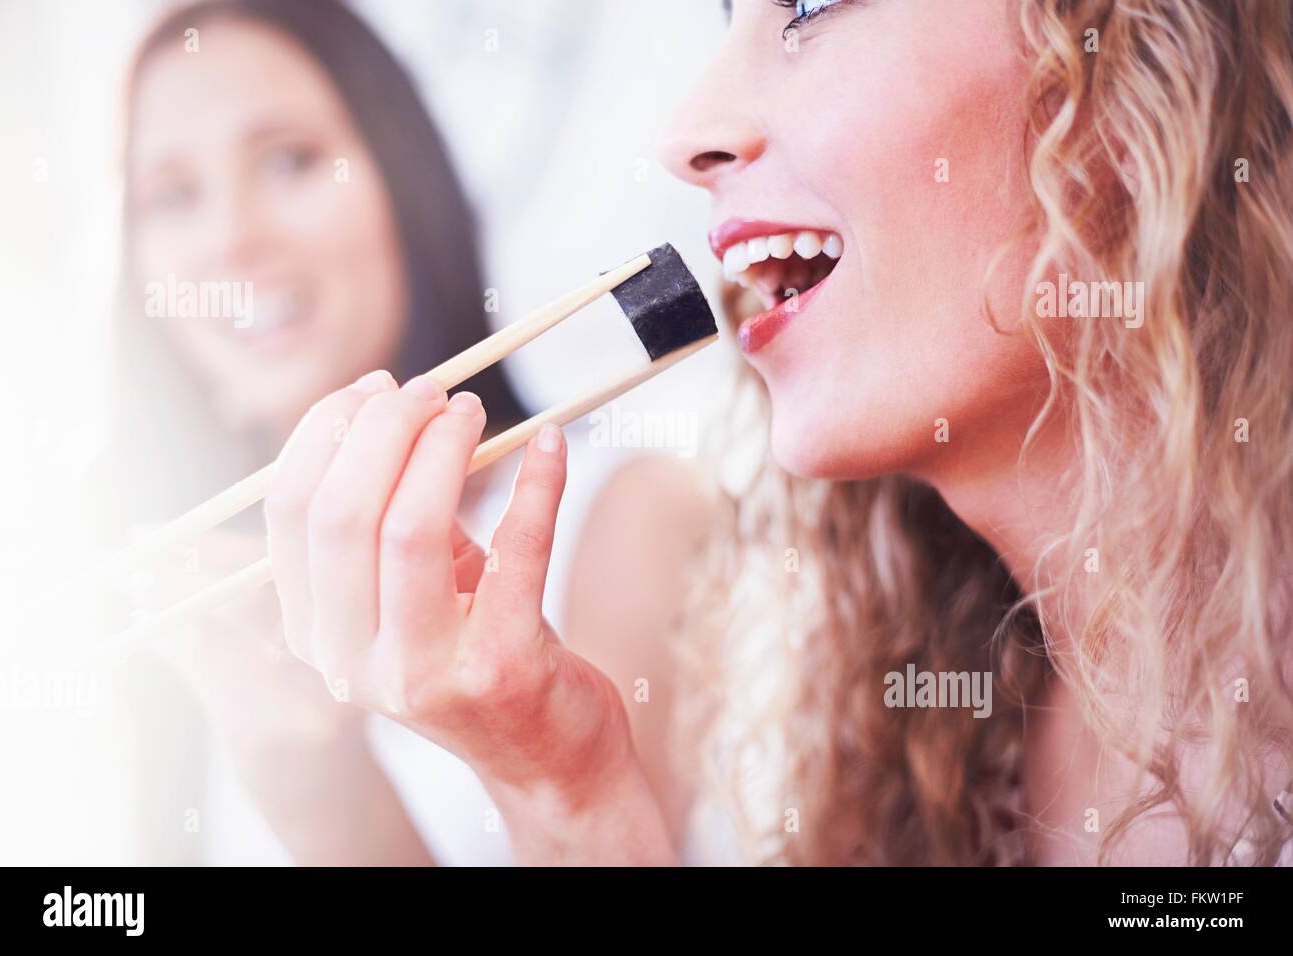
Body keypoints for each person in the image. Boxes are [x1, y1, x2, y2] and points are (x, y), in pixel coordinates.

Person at [261, 0, 1293, 866]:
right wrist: (567, 794)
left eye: (808, 1)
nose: (689, 129)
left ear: (1135, 61)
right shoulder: (935, 751)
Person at [98, 0, 531, 864]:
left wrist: (327, 802)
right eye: (174, 196)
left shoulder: (612, 517)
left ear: (402, 180)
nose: (231, 240)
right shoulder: (173, 614)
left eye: (291, 161)